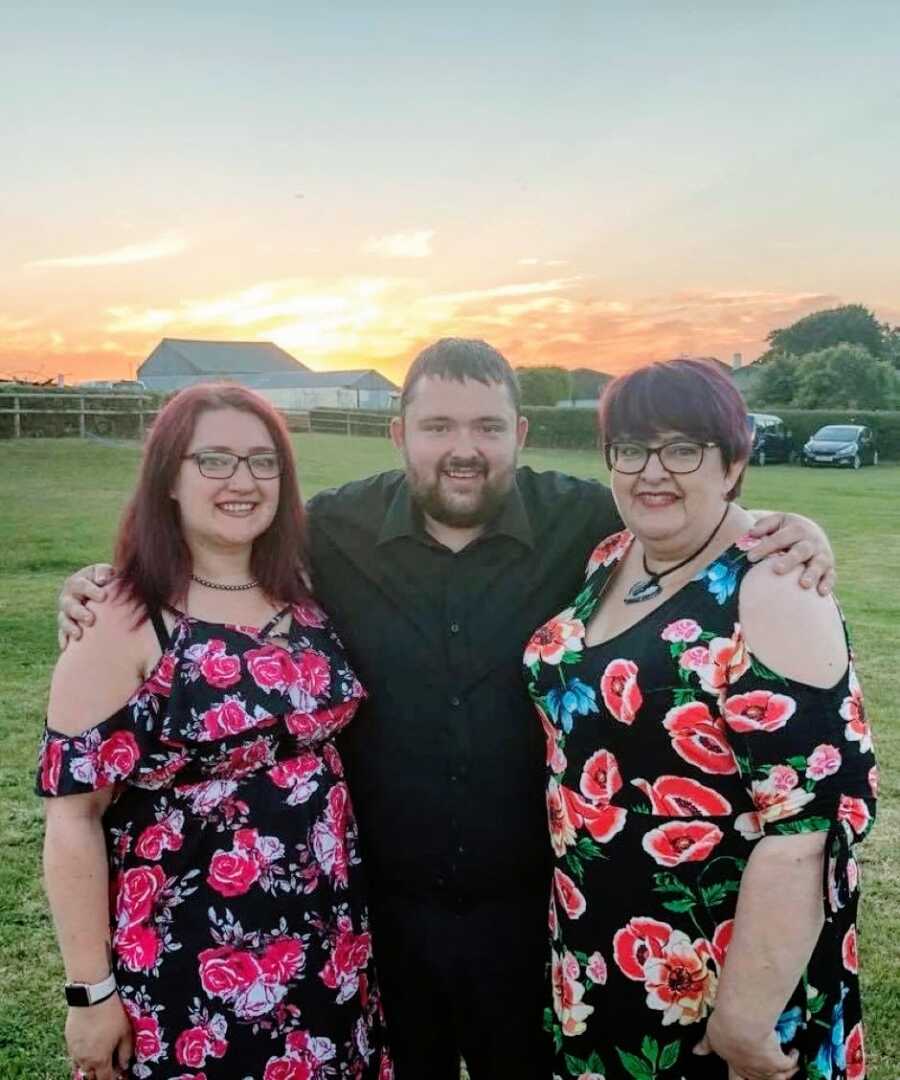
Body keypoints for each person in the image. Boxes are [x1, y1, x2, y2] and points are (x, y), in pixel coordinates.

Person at [58, 340, 836, 1080]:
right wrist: (103, 584)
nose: (463, 448)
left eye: (488, 427)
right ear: (400, 434)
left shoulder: (593, 523)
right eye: (437, 426)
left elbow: (688, 515)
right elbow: (216, 558)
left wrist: (798, 533)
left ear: (520, 432)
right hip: (375, 919)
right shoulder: (330, 531)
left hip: (538, 917)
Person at [523, 358, 876, 1080]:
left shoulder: (776, 585)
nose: (653, 471)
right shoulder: (613, 556)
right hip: (600, 951)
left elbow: (809, 831)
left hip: (720, 975)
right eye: (630, 448)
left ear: (735, 459)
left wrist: (745, 1021)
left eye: (683, 448)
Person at [39, 384, 391, 1080]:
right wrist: (90, 992)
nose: (243, 481)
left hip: (328, 949)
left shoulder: (304, 589)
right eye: (216, 461)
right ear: (169, 476)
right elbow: (73, 818)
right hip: (192, 966)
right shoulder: (123, 618)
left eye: (264, 463)